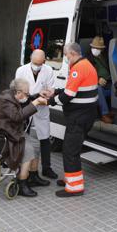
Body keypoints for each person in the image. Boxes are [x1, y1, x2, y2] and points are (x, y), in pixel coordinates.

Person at [47, 42, 98, 197]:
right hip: (85, 115)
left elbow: (68, 96)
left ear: (73, 54)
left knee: (70, 151)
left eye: (66, 54)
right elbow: (74, 89)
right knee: (72, 149)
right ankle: (70, 179)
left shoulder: (78, 68)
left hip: (78, 117)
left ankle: (75, 187)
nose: (65, 58)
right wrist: (55, 90)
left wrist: (50, 101)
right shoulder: (86, 64)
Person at [0, 78, 49, 197]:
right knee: (28, 149)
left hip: (11, 130)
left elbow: (25, 101)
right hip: (1, 132)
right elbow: (17, 117)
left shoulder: (13, 96)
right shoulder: (6, 100)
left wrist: (37, 96)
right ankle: (22, 182)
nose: (27, 96)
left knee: (35, 144)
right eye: (26, 93)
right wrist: (35, 103)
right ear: (18, 92)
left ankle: (33, 176)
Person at [15, 49, 58, 179]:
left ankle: (47, 168)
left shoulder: (48, 70)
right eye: (35, 63)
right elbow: (18, 93)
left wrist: (49, 93)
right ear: (30, 59)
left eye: (40, 64)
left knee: (44, 138)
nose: (37, 67)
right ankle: (24, 169)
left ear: (44, 61)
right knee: (25, 138)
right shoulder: (21, 70)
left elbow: (51, 88)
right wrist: (35, 96)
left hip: (42, 109)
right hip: (26, 108)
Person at [86, 36, 113, 123]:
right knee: (98, 88)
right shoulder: (87, 58)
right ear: (92, 47)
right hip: (94, 82)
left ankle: (113, 110)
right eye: (95, 48)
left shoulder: (103, 56)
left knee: (116, 86)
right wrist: (98, 79)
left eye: (99, 49)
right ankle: (104, 114)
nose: (97, 50)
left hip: (108, 80)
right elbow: (87, 74)